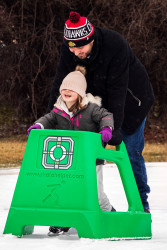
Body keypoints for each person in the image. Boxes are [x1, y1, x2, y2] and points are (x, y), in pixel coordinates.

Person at [47, 12, 155, 214]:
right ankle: (80, 205)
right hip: (97, 104)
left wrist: (112, 127)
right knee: (80, 152)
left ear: (91, 39)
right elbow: (61, 82)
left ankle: (141, 206)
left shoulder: (115, 45)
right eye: (72, 47)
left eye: (81, 47)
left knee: (130, 150)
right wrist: (51, 116)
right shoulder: (71, 48)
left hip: (133, 102)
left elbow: (118, 90)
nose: (76, 52)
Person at [28, 66, 115, 235]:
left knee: (95, 192)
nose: (66, 91)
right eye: (64, 88)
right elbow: (48, 119)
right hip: (69, 161)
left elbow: (106, 116)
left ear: (80, 93)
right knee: (67, 190)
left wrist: (106, 130)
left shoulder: (91, 108)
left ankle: (110, 214)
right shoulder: (59, 109)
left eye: (71, 89)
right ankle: (64, 220)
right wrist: (38, 125)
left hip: (91, 159)